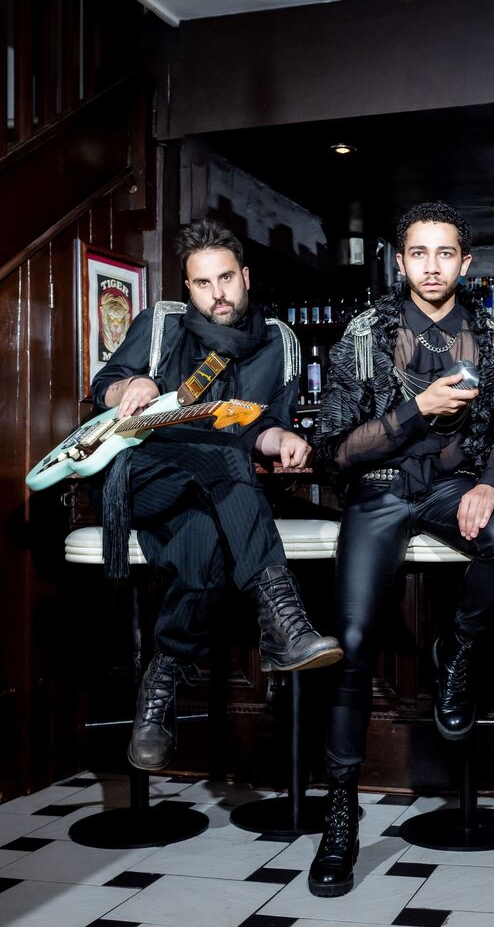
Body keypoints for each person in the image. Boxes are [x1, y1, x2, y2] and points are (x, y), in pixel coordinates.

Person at [308, 201, 494, 896]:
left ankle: (455, 651)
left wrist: (493, 484)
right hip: (378, 492)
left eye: (446, 253)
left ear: (465, 263)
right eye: (419, 252)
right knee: (351, 639)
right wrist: (417, 409)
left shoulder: (491, 338)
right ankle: (341, 813)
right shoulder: (364, 335)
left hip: (450, 489)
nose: (432, 265)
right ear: (400, 260)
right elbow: (332, 450)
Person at [91, 218, 341, 771]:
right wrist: (129, 386)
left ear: (245, 276)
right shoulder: (161, 324)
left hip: (216, 491)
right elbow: (102, 385)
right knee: (224, 456)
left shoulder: (278, 342)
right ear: (189, 288)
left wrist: (285, 439)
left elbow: (262, 427)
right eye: (203, 284)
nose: (217, 294)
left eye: (226, 278)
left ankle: (162, 679)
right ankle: (284, 623)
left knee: (202, 551)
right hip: (148, 474)